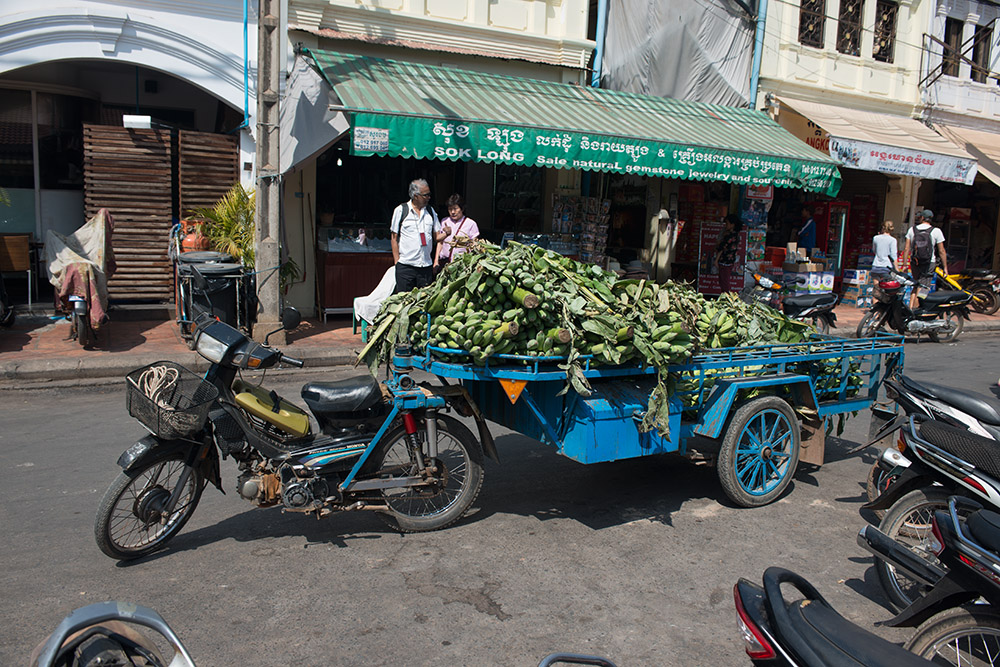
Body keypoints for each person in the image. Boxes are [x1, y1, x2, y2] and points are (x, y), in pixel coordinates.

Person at [390, 179, 445, 294]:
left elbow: (437, 237)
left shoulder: (430, 211)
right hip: (406, 266)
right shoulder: (401, 210)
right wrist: (397, 262)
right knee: (403, 302)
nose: (429, 197)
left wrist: (447, 234)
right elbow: (394, 238)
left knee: (423, 303)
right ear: (416, 196)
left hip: (425, 266)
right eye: (426, 195)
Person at [903, 209, 948, 309]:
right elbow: (941, 251)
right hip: (929, 263)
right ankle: (917, 310)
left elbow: (906, 248)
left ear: (922, 218)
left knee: (915, 284)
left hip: (915, 261)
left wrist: (905, 264)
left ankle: (910, 309)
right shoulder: (936, 231)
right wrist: (945, 267)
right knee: (923, 288)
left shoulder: (912, 230)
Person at [434, 193, 480, 273]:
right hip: (445, 262)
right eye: (450, 209)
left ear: (462, 209)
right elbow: (440, 243)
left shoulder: (471, 223)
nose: (452, 212)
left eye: (455, 209)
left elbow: (475, 244)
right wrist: (436, 261)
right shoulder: (444, 221)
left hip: (461, 264)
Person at [714, 213, 743, 293]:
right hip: (730, 261)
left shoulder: (730, 236)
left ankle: (726, 298)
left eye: (727, 223)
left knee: (724, 282)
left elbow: (721, 248)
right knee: (724, 280)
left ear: (732, 224)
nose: (725, 225)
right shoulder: (736, 235)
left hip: (725, 261)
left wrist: (716, 260)